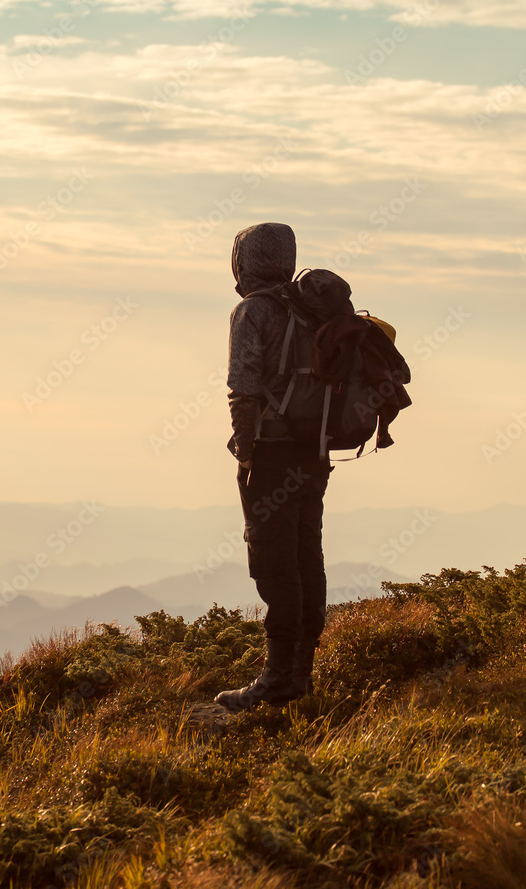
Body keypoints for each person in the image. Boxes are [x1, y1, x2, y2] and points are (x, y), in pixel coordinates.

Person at [215, 222, 334, 712]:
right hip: (316, 452)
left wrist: (246, 451)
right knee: (308, 556)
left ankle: (277, 679)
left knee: (274, 563)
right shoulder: (311, 310)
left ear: (245, 261)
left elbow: (242, 388)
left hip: (273, 453)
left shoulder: (253, 311)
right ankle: (301, 672)